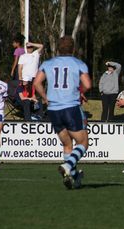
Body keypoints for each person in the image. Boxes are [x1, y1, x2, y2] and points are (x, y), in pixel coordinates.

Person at [33, 35, 91, 189]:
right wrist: (80, 92)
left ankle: (73, 177)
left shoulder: (48, 63)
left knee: (67, 145)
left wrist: (45, 98)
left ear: (58, 48)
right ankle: (68, 165)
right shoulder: (78, 63)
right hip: (70, 107)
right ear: (73, 48)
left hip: (53, 109)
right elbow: (87, 84)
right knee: (83, 142)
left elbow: (37, 83)